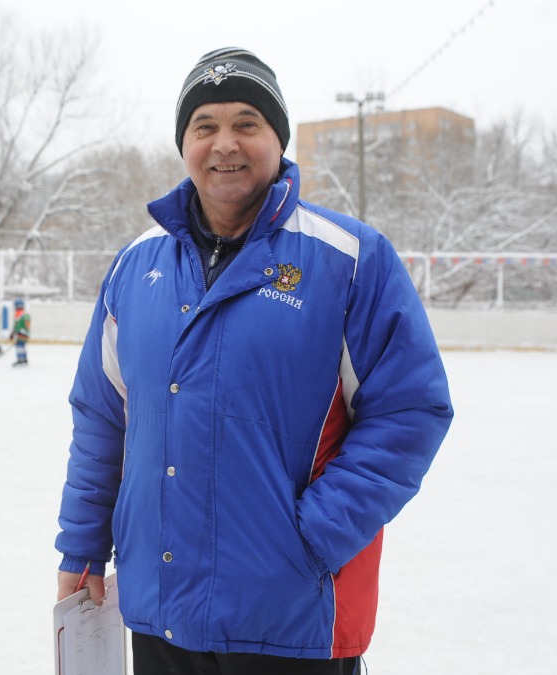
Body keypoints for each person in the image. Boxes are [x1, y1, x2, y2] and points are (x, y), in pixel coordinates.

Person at [54, 47, 453, 675]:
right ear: (184, 142)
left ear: (278, 138)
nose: (225, 144)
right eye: (204, 126)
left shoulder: (349, 260)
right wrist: (81, 546)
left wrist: (310, 539)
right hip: (161, 608)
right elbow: (103, 419)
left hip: (290, 615)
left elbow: (410, 410)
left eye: (247, 123)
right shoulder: (137, 266)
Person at [10, 298, 30, 367]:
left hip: (23, 334)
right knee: (20, 346)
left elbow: (27, 325)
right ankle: (23, 359)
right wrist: (13, 332)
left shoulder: (24, 314)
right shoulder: (17, 314)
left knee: (20, 346)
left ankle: (21, 360)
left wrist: (22, 331)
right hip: (19, 334)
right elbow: (16, 325)